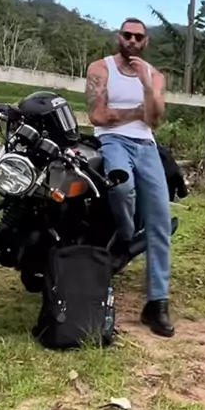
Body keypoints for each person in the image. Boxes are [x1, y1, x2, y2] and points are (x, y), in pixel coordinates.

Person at [85, 17, 174, 337]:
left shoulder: (155, 76)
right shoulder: (101, 68)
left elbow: (156, 121)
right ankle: (125, 238)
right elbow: (98, 116)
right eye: (127, 35)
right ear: (118, 37)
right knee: (122, 189)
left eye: (138, 37)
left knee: (160, 220)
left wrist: (147, 87)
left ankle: (157, 303)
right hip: (112, 141)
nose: (133, 41)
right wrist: (139, 112)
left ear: (146, 41)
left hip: (146, 147)